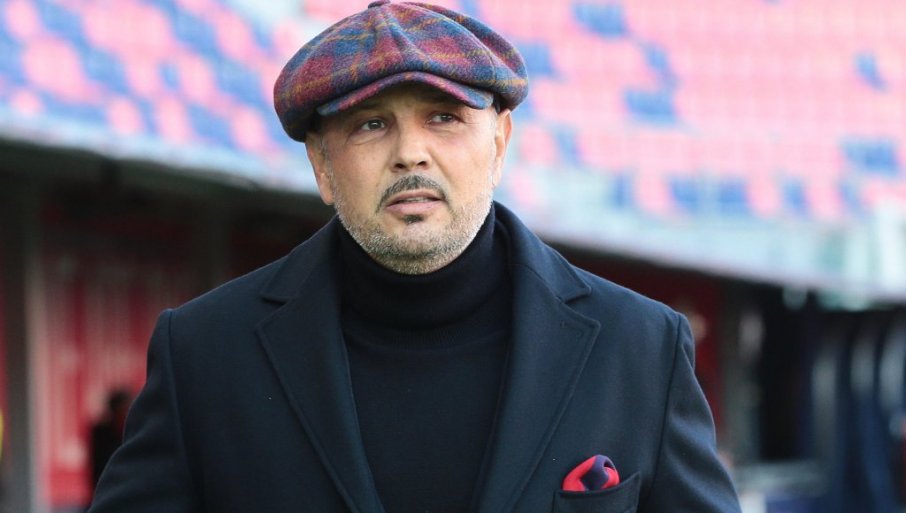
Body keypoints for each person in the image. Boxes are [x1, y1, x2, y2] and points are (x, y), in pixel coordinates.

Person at [89, 2, 741, 512]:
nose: (410, 153)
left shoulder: (640, 348)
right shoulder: (204, 354)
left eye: (444, 117)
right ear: (321, 165)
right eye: (370, 124)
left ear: (499, 142)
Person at [89, 389, 132, 492]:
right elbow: (98, 469)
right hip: (108, 489)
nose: (125, 415)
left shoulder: (135, 432)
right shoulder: (101, 435)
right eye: (122, 410)